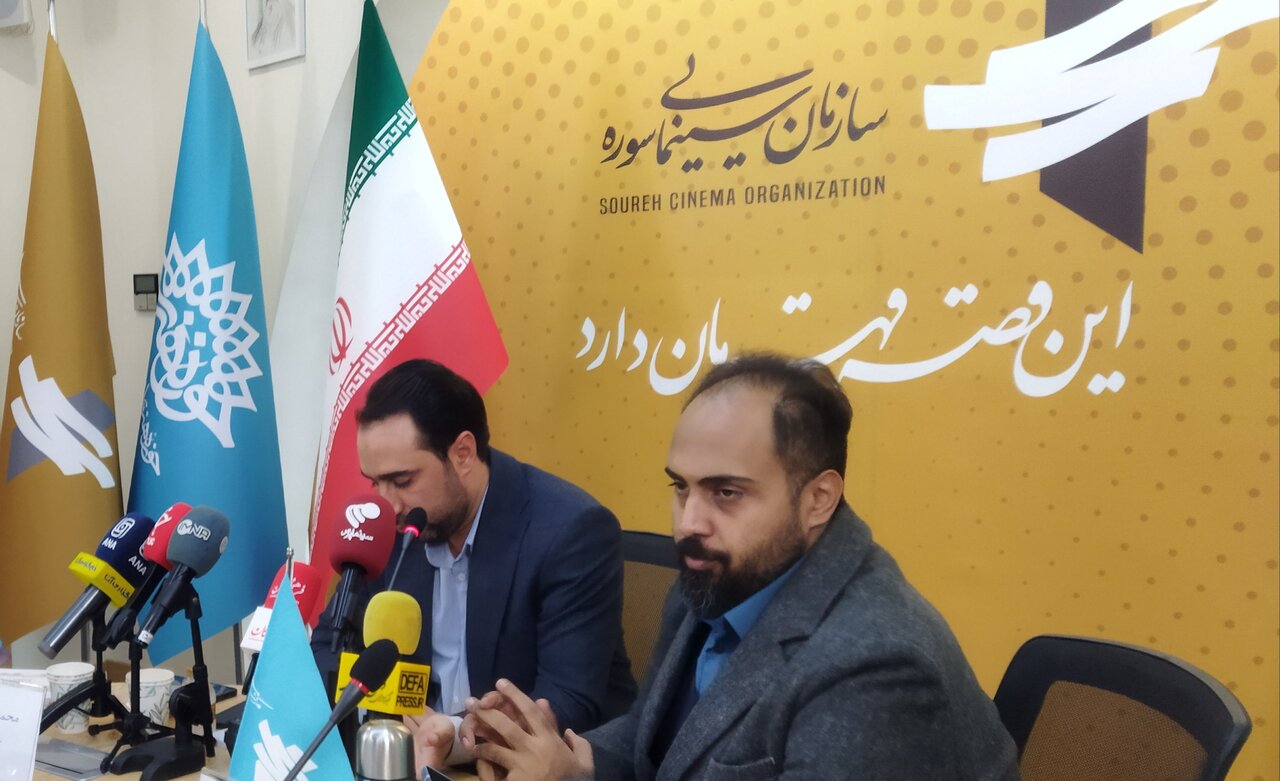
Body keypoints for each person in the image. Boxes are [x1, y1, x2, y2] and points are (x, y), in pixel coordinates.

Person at [459, 353, 1020, 781]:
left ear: (818, 499)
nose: (689, 523)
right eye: (681, 487)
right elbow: (655, 739)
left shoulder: (875, 666)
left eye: (726, 492)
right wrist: (564, 760)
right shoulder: (716, 575)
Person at [310, 359, 636, 772]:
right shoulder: (390, 526)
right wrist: (381, 719)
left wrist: (453, 735)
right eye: (375, 482)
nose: (387, 503)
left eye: (403, 481)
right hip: (414, 761)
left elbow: (567, 702)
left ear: (462, 453)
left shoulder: (570, 531)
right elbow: (327, 648)